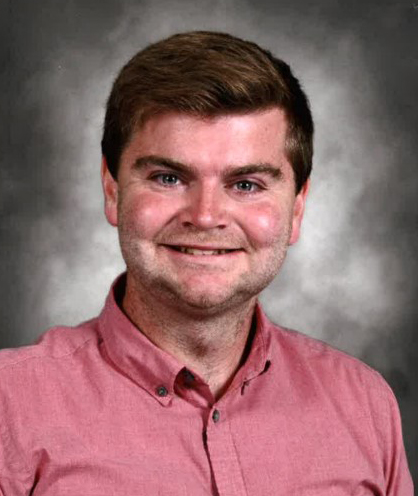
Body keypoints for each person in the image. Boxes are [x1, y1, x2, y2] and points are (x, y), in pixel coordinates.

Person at [0, 31, 413, 495]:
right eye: (168, 178)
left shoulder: (364, 405)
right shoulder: (10, 408)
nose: (205, 216)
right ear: (112, 191)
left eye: (246, 185)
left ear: (297, 209)